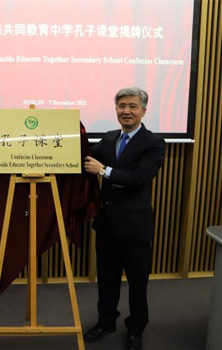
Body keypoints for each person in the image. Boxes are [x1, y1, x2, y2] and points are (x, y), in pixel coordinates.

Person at [83, 87, 165, 350]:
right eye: (121, 106)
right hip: (107, 224)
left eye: (132, 106)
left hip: (135, 226)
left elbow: (139, 179)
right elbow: (84, 159)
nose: (126, 111)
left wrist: (104, 171)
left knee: (137, 282)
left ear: (143, 110)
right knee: (106, 279)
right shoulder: (108, 139)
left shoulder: (153, 143)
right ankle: (106, 321)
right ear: (115, 109)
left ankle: (136, 328)